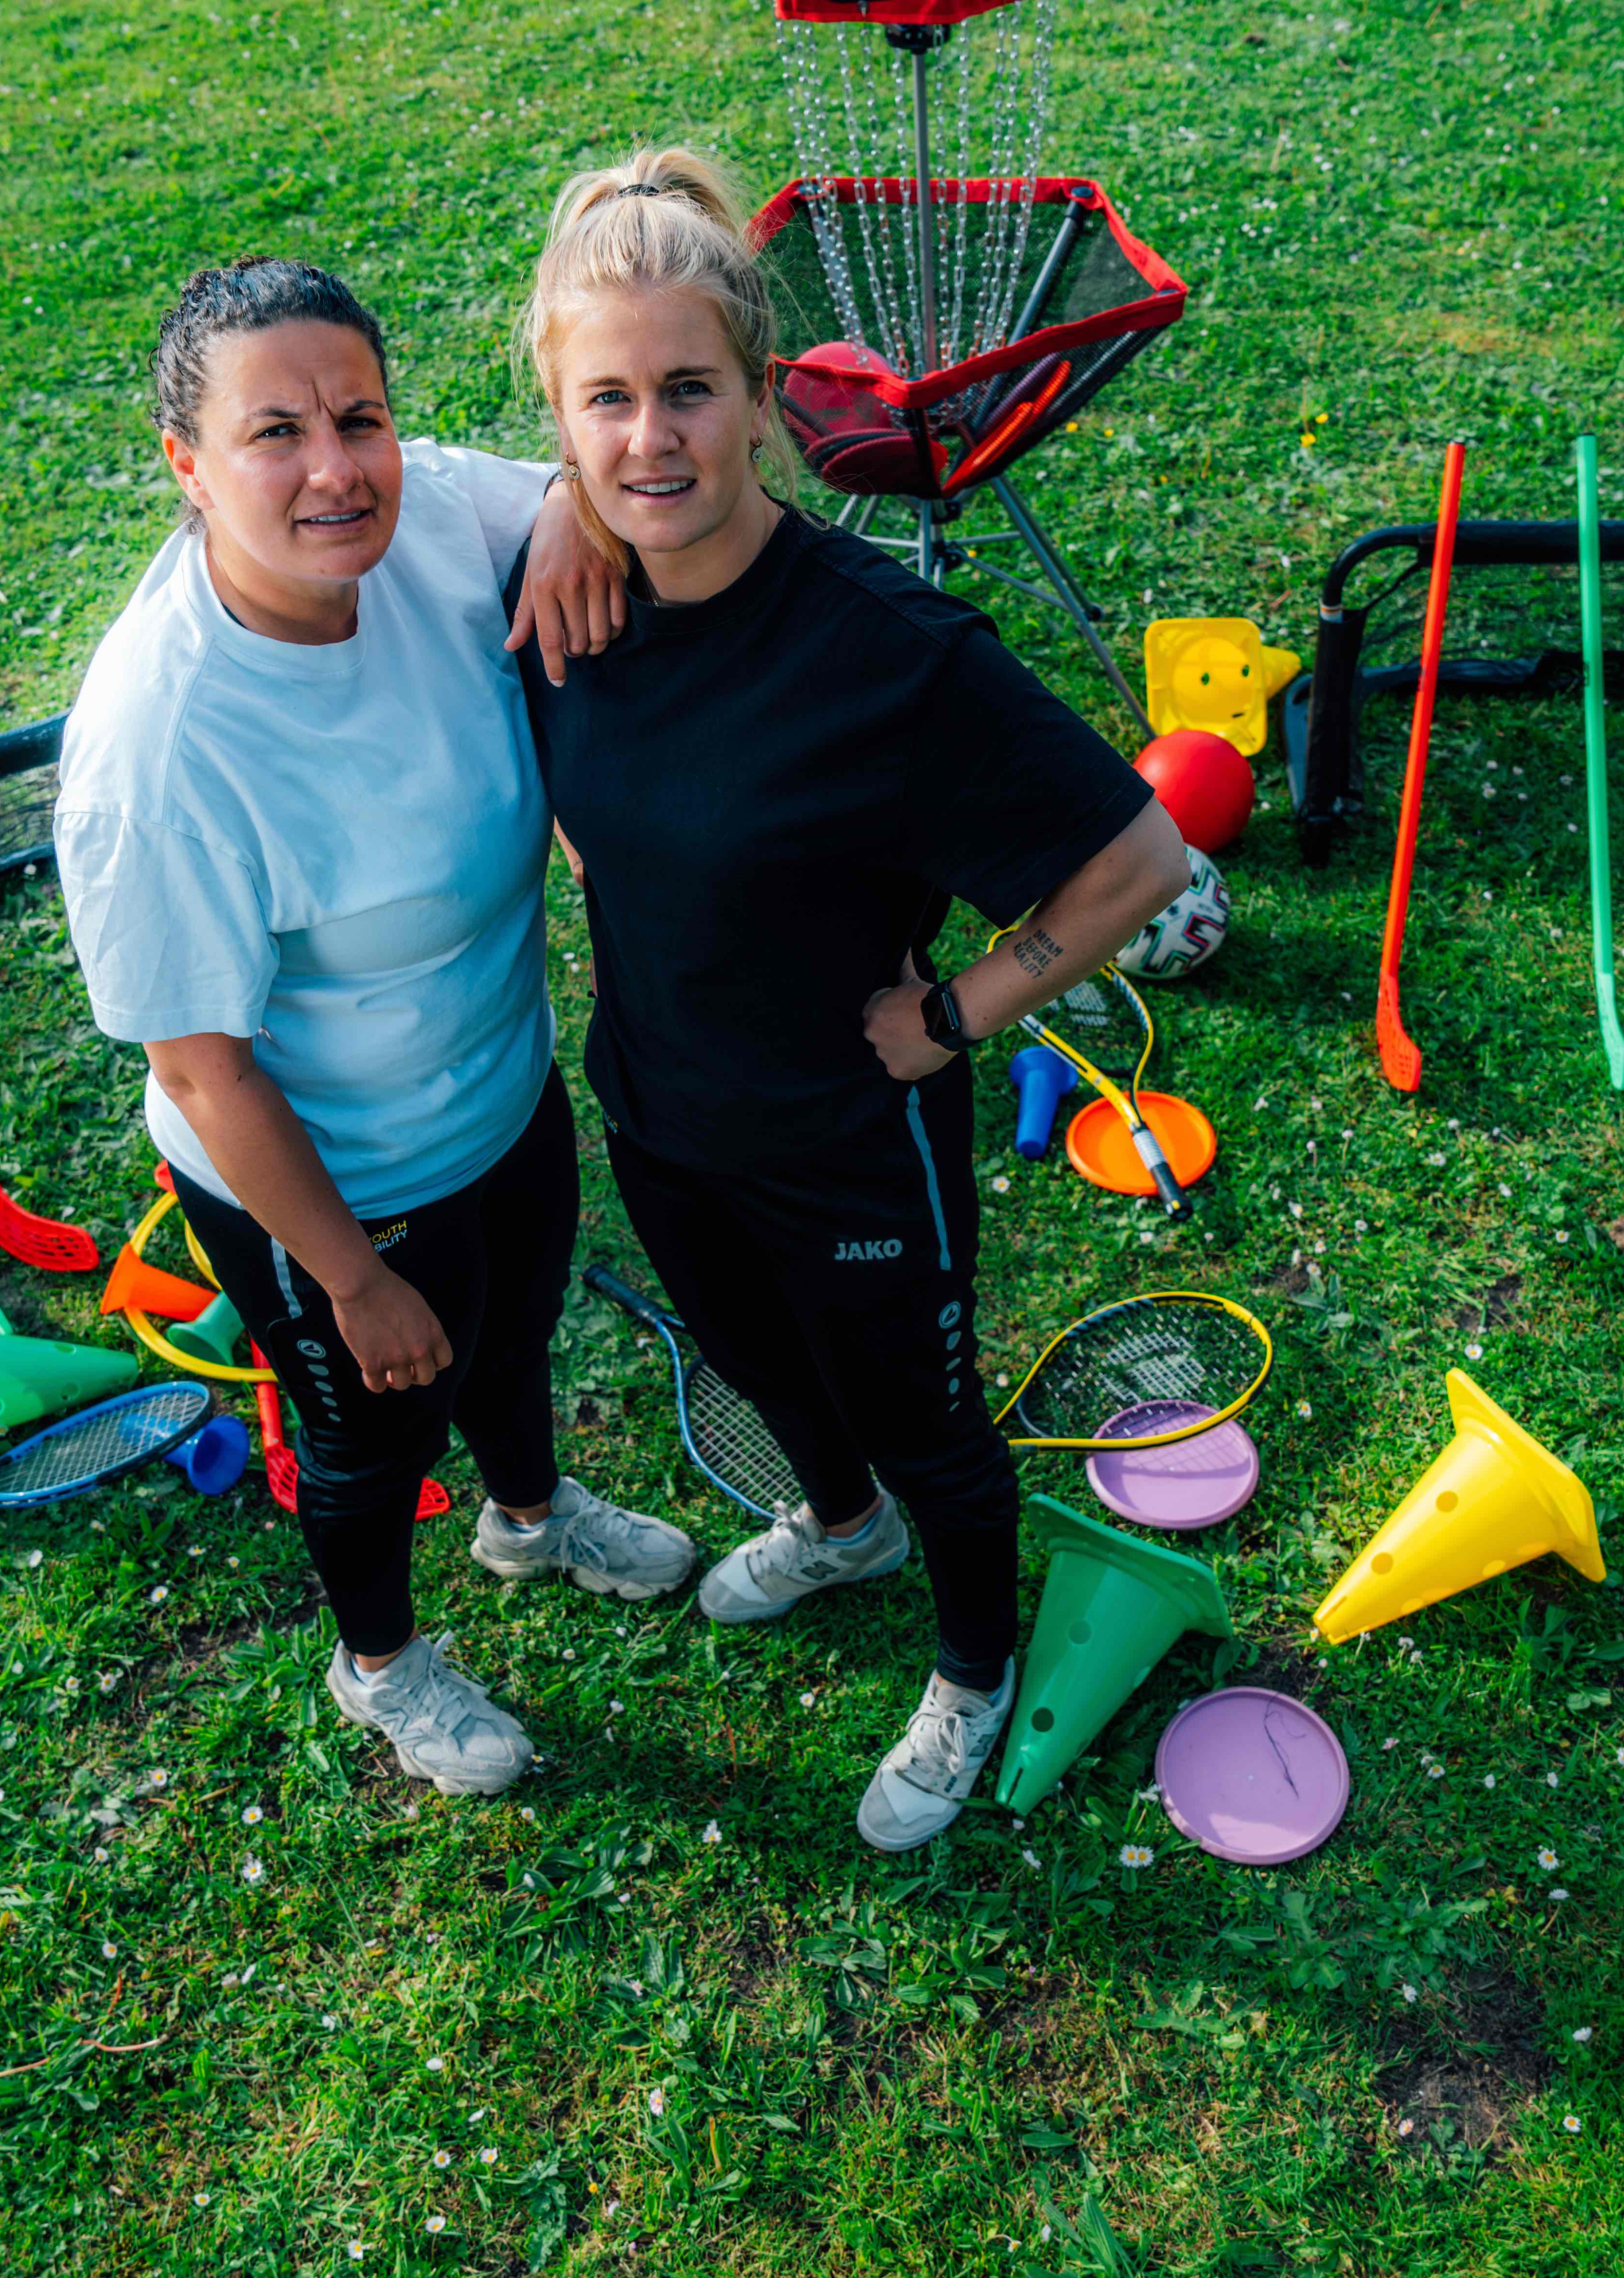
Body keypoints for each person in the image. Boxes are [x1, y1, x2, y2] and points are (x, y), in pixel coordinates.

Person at [510, 155, 1193, 1850]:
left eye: (689, 393)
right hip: (660, 1113)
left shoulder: (894, 654)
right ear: (558, 413)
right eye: (607, 402)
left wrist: (965, 1009)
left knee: (927, 1421)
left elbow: (1143, 855)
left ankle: (974, 1660)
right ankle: (838, 1524)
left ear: (763, 402)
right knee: (750, 1356)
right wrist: (547, 512)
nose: (648, 442)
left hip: (851, 1141)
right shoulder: (566, 601)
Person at [54, 256, 700, 1799]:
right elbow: (202, 1069)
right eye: (274, 433)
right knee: (367, 1444)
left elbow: (572, 476)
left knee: (515, 1329)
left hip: (503, 1092)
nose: (336, 470)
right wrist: (351, 1276)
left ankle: (532, 1519)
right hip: (324, 1181)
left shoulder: (419, 531)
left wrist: (562, 511)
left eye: (362, 416)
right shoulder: (160, 751)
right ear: (188, 469)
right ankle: (381, 1664)